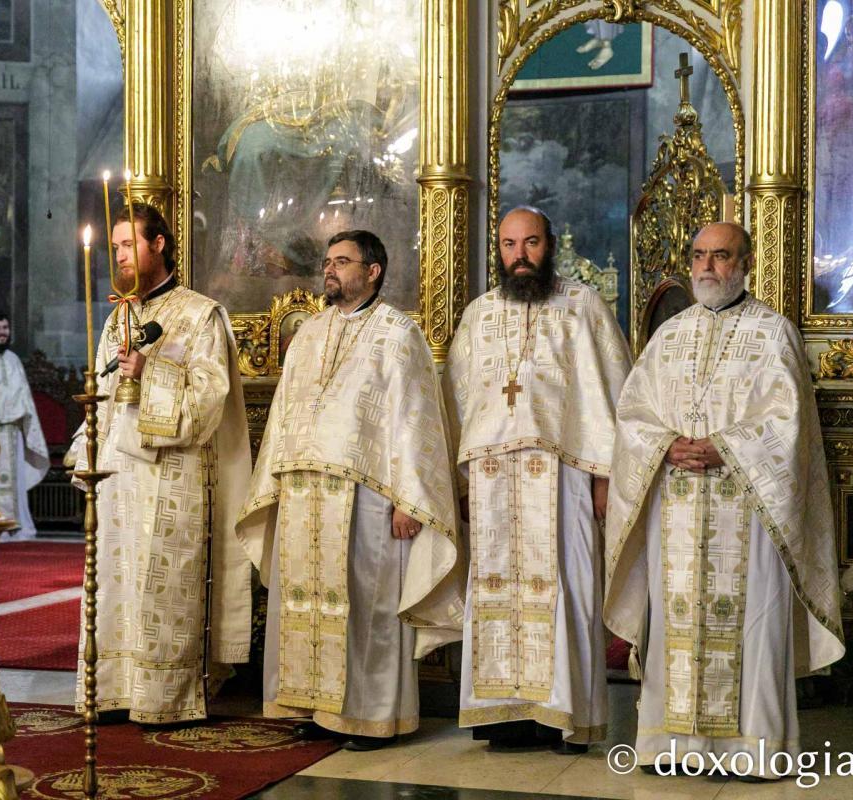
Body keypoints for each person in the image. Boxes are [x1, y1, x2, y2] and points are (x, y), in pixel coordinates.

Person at [605, 222, 845, 776]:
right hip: (678, 511)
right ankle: (672, 747)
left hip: (751, 510)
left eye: (721, 256)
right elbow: (634, 414)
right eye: (699, 256)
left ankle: (752, 751)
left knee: (752, 624)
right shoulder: (669, 336)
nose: (708, 267)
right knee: (675, 623)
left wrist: (726, 447)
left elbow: (789, 426)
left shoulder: (773, 332)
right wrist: (666, 445)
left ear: (745, 263)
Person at [238, 230, 463, 751]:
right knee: (304, 604)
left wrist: (411, 501)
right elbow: (284, 414)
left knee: (367, 608)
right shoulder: (311, 334)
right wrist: (273, 481)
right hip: (302, 493)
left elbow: (414, 419)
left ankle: (369, 716)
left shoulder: (398, 334)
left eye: (343, 261)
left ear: (374, 270)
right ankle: (313, 708)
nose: (330, 270)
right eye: (328, 262)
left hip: (368, 497)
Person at [443, 207, 630, 752]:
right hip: (493, 479)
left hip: (564, 475)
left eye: (529, 243)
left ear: (550, 245)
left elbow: (608, 393)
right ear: (497, 249)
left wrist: (604, 479)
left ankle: (565, 717)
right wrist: (461, 484)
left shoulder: (582, 307)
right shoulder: (479, 315)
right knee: (496, 591)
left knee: (566, 591)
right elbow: (457, 401)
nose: (518, 255)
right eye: (507, 245)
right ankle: (503, 715)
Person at [67, 202, 252, 724]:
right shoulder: (116, 317)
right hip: (117, 480)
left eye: (130, 244)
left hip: (172, 479)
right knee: (114, 585)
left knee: (160, 588)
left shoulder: (201, 315)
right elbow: (101, 392)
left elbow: (208, 404)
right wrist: (87, 450)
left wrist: (153, 372)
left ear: (159, 244)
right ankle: (112, 691)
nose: (120, 255)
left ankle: (164, 699)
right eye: (117, 246)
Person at [0, 309, 49, 541]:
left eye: (5, 328)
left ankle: (17, 526)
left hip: (13, 433)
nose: (2, 333)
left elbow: (25, 398)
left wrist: (29, 430)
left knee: (14, 481)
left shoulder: (13, 359)